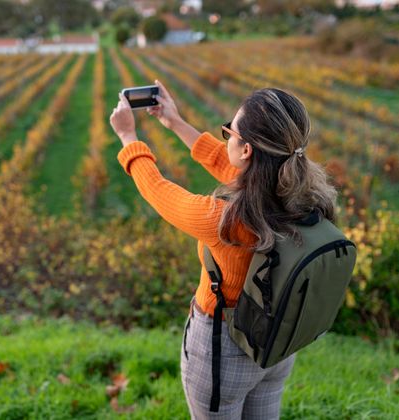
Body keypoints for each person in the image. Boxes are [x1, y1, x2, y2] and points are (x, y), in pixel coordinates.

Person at [109, 80, 337, 419]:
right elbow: (226, 161)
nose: (226, 138)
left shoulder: (227, 218)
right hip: (277, 342)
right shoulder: (303, 194)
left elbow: (159, 191)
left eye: (229, 132)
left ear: (246, 150)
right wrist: (174, 122)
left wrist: (129, 137)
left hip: (224, 352)